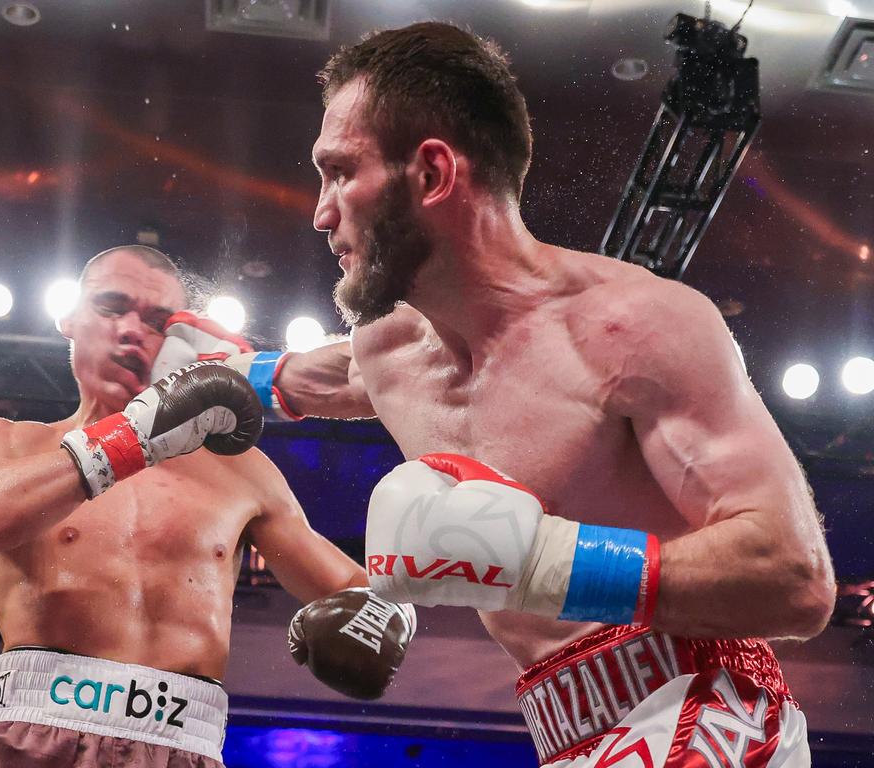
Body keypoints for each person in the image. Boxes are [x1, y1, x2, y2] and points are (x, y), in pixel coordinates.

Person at [219, 22, 836, 767]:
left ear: (432, 173)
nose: (321, 212)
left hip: (706, 704)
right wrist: (184, 377)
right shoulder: (385, 354)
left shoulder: (633, 328)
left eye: (340, 171)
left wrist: (544, 562)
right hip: (563, 729)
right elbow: (291, 382)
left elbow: (795, 579)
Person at [0, 245, 414, 768]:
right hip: (28, 737)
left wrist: (392, 616)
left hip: (182, 747)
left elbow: (363, 595)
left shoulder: (240, 470)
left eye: (159, 320)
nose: (131, 329)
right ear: (68, 318)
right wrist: (136, 436)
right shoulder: (13, 442)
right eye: (112, 306)